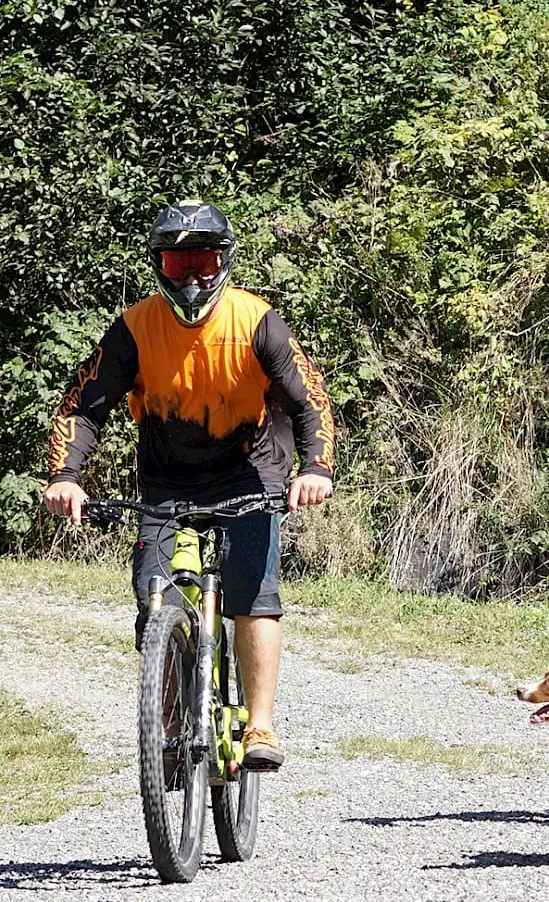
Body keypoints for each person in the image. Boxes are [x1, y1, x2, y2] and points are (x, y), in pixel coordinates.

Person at [43, 200, 335, 770]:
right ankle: (174, 731)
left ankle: (261, 727)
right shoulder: (134, 328)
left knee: (255, 597)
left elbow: (309, 401)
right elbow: (84, 406)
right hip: (166, 484)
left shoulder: (257, 320)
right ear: (159, 265)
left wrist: (315, 468)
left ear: (225, 259)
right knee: (157, 605)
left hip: (251, 476)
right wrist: (65, 477)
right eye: (179, 264)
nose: (194, 275)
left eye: (203, 259)